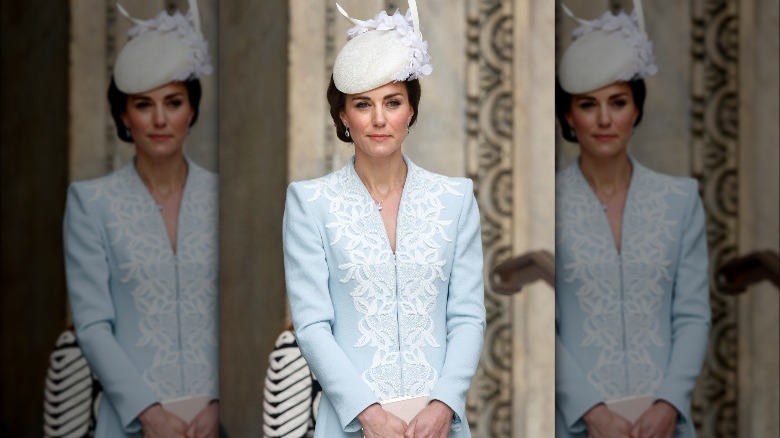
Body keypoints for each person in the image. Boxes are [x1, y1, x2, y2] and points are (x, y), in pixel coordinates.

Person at [282, 1, 486, 437]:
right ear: (343, 115)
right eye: (362, 104)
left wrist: (443, 407)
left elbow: (467, 316)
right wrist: (369, 416)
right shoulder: (309, 203)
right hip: (351, 426)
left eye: (392, 102)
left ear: (411, 109)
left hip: (439, 427)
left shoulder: (455, 199)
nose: (378, 119)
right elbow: (313, 326)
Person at [554, 2, 711, 438]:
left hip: (664, 425)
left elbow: (693, 316)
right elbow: (544, 325)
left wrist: (667, 407)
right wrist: (592, 412)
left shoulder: (680, 200)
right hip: (578, 425)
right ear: (569, 115)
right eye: (589, 105)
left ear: (636, 109)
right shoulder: (546, 205)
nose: (604, 119)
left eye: (617, 102)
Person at [63, 1, 219, 437]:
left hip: (216, 423)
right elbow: (93, 326)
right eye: (143, 104)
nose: (160, 119)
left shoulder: (223, 200)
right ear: (124, 115)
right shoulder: (90, 202)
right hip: (132, 423)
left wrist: (219, 402)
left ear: (192, 110)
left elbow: (238, 316)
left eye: (173, 102)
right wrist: (150, 414)